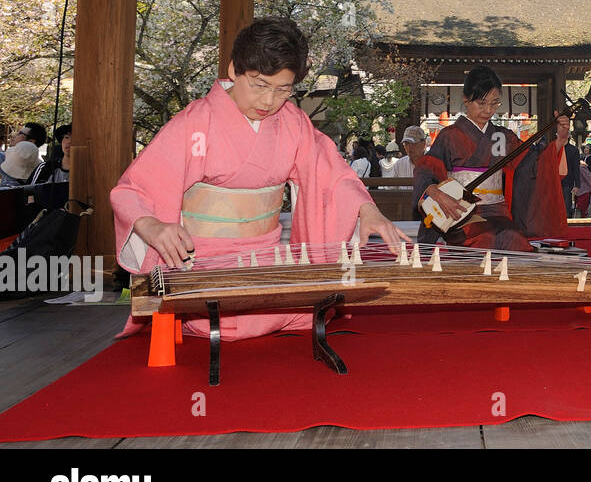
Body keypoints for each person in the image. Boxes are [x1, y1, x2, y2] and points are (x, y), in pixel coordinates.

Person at [110, 17, 408, 340]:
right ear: (233, 70)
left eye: (283, 90)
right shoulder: (194, 125)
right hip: (206, 266)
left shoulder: (293, 124)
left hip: (266, 262)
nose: (269, 102)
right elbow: (132, 189)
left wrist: (367, 209)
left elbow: (333, 174)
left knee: (306, 303)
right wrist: (154, 226)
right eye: (259, 85)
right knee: (221, 313)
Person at [414, 65, 562, 250]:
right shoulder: (449, 136)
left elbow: (533, 164)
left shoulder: (504, 136)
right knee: (484, 238)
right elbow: (426, 171)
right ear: (467, 100)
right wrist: (437, 194)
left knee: (513, 239)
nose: (488, 110)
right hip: (461, 210)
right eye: (482, 103)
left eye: (494, 103)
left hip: (497, 210)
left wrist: (560, 140)